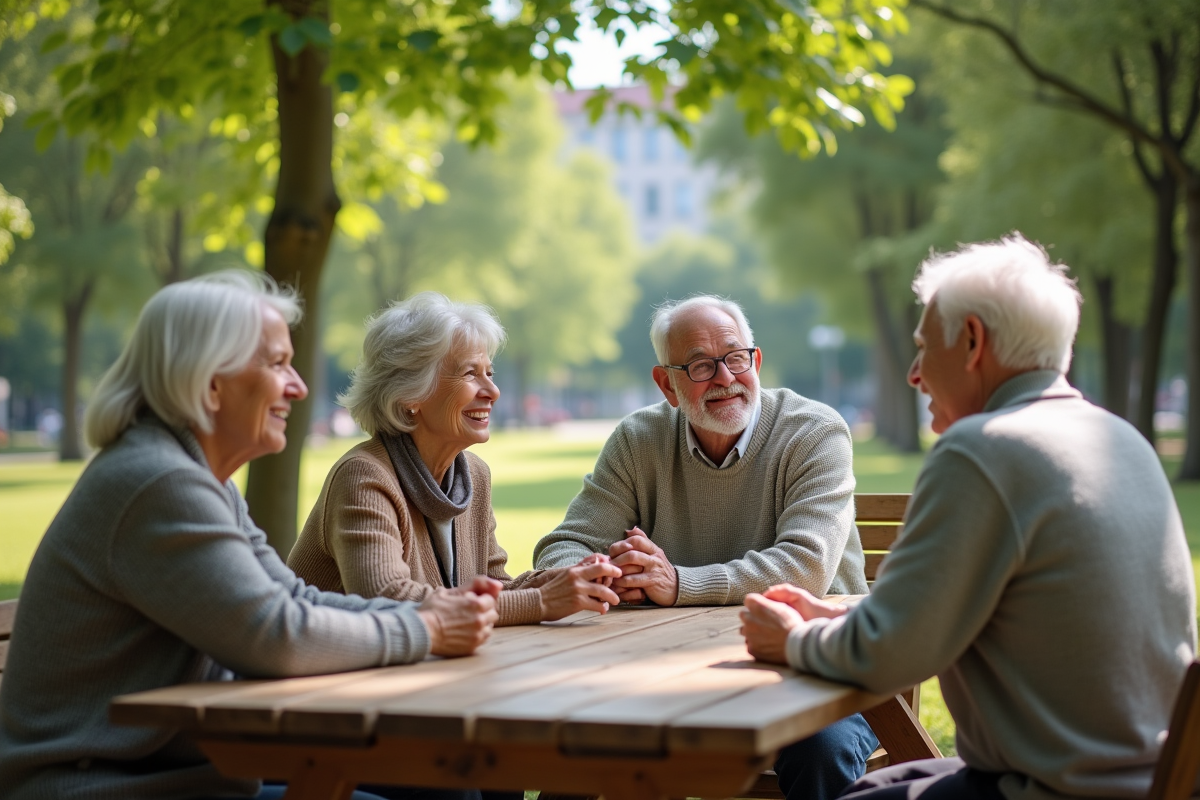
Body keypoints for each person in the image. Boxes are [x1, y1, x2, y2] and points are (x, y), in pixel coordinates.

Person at [0, 272, 499, 800]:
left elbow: (294, 598)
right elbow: (277, 634)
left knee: (460, 782)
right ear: (210, 382)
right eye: (277, 363)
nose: (299, 386)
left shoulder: (197, 479)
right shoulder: (158, 482)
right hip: (98, 786)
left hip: (179, 776)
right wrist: (428, 630)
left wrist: (427, 617)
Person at [740, 235, 1198, 800]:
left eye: (923, 346)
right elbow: (934, 618)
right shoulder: (1120, 439)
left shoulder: (981, 450)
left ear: (973, 342)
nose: (913, 373)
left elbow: (891, 658)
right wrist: (832, 616)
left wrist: (795, 640)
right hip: (1151, 776)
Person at [532, 294, 875, 800]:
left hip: (814, 672)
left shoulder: (814, 431)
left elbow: (805, 568)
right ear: (666, 384)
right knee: (581, 741)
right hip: (667, 672)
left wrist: (678, 584)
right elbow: (563, 545)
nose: (724, 377)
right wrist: (603, 572)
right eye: (698, 365)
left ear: (755, 362)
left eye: (736, 358)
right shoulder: (638, 440)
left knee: (820, 748)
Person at [289, 292, 621, 626]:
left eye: (489, 373)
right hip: (336, 675)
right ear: (410, 394)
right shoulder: (363, 477)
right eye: (469, 373)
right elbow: (387, 598)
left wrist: (568, 578)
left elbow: (496, 588)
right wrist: (542, 601)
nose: (492, 391)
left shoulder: (473, 475)